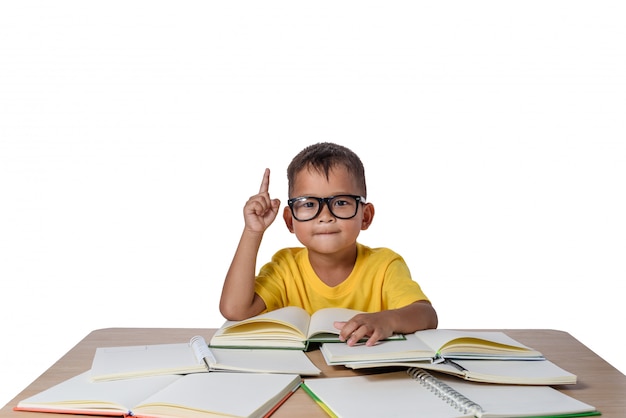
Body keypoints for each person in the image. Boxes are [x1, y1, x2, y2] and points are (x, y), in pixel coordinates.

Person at [219, 142, 438, 346]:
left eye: (341, 202)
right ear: (289, 220)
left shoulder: (385, 265)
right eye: (309, 204)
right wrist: (253, 231)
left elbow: (426, 315)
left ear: (366, 216)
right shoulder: (285, 267)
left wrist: (388, 320)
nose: (325, 216)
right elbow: (235, 309)